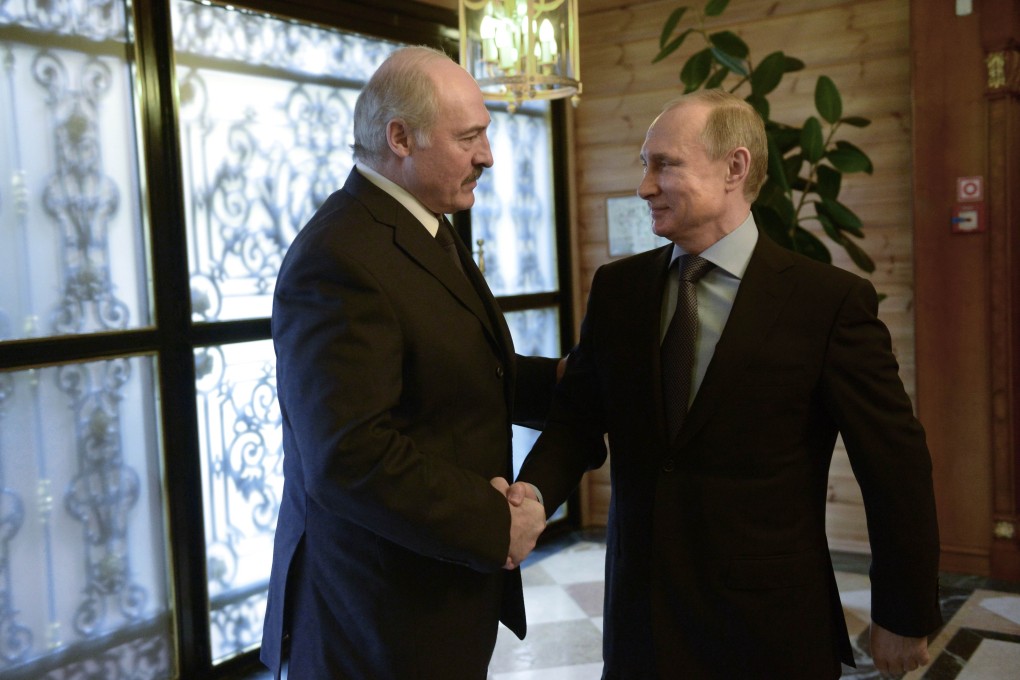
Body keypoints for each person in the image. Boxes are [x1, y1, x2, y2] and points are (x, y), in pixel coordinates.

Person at [512, 89, 942, 679]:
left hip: (769, 629)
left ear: (734, 168)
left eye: (665, 164)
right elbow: (577, 418)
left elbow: (894, 464)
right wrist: (531, 496)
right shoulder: (618, 290)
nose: (644, 185)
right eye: (644, 163)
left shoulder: (827, 303)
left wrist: (905, 610)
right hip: (642, 623)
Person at [260, 45, 559, 679]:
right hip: (377, 611)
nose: (488, 155)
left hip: (431, 591)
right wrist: (491, 523)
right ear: (400, 137)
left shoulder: (423, 221)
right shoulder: (339, 257)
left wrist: (572, 381)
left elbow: (456, 371)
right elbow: (349, 455)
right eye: (470, 137)